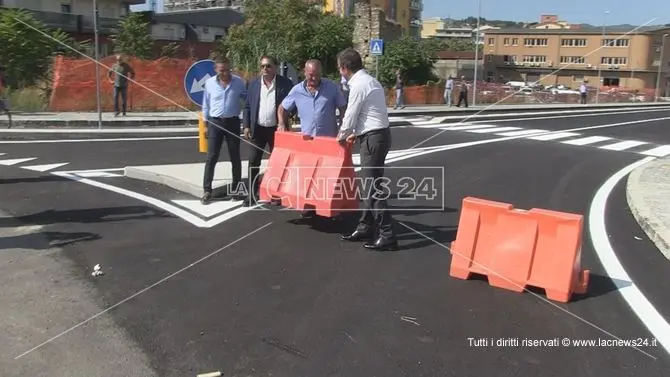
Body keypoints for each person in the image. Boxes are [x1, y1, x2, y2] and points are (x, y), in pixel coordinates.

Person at [336, 47, 397, 251]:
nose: (340, 73)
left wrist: (341, 135)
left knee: (372, 188)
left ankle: (387, 234)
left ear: (345, 68)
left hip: (373, 139)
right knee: (371, 185)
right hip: (378, 135)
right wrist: (357, 132)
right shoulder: (370, 80)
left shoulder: (359, 84)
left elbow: (351, 114)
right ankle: (365, 226)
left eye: (339, 68)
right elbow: (369, 113)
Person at [278, 59, 347, 219]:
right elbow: (282, 108)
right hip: (307, 143)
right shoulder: (296, 90)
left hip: (329, 142)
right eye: (310, 75)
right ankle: (308, 206)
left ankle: (330, 207)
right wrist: (282, 124)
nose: (313, 78)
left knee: (328, 177)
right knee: (308, 176)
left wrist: (343, 125)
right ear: (304, 73)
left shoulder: (331, 87)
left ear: (321, 73)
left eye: (316, 75)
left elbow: (343, 107)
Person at [242, 55, 294, 206]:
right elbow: (247, 106)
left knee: (277, 163)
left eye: (268, 66)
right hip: (257, 130)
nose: (265, 69)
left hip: (276, 131)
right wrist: (246, 125)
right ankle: (252, 195)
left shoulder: (286, 84)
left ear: (275, 67)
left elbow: (293, 104)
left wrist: (287, 118)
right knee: (253, 161)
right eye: (262, 66)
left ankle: (276, 194)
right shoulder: (253, 84)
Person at [201, 56, 247, 205]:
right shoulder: (209, 84)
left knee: (235, 157)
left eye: (227, 70)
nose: (225, 73)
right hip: (215, 122)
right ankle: (207, 190)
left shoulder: (238, 82)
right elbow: (205, 105)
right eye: (222, 70)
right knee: (211, 157)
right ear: (216, 70)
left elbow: (247, 100)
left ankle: (236, 189)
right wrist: (206, 125)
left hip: (232, 121)